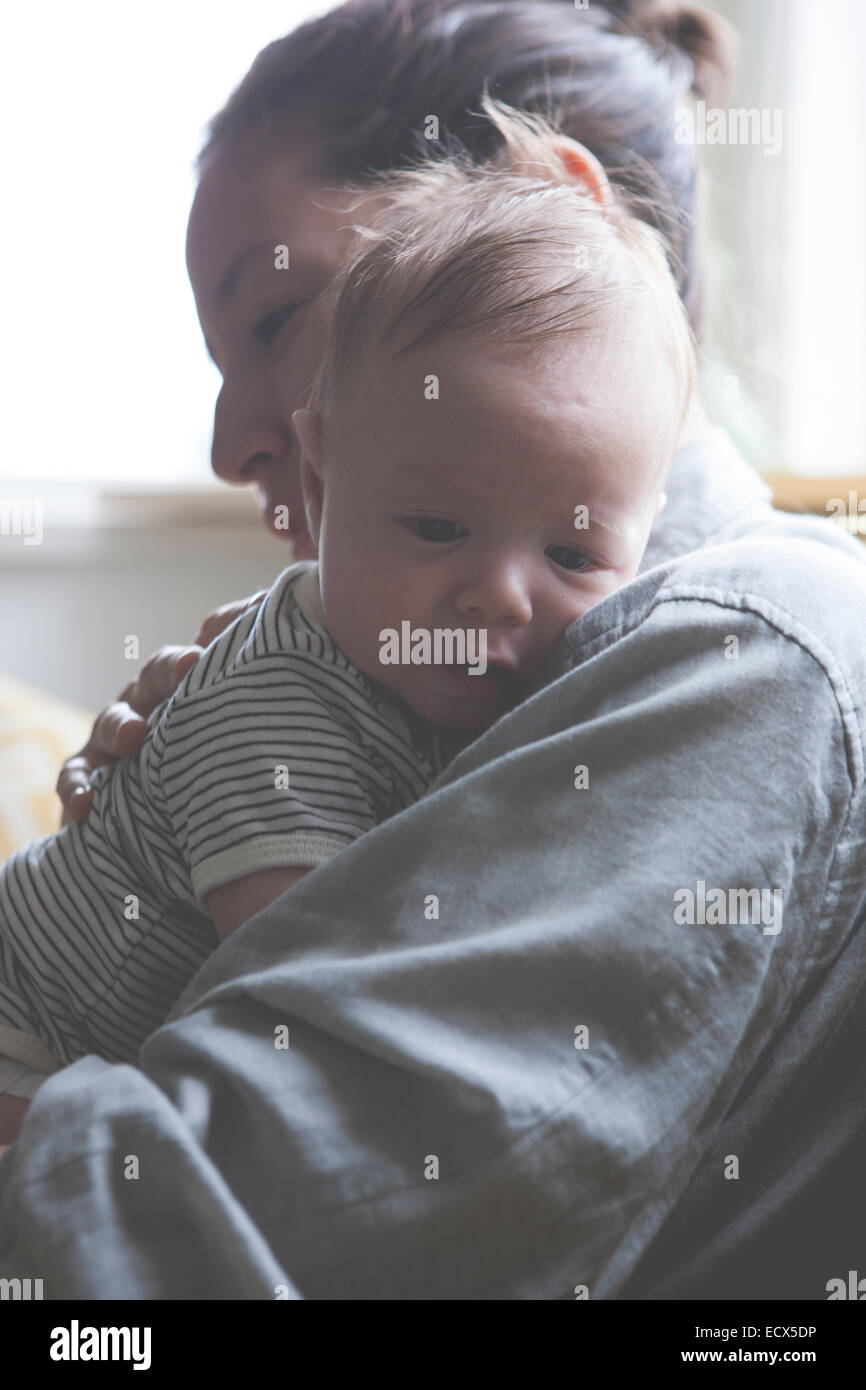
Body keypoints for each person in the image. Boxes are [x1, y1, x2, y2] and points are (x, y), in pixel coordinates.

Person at [2, 0, 865, 1301]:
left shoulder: (747, 647)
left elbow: (191, 1227)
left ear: (554, 206)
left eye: (277, 319)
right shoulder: (401, 680)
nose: (234, 438)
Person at [0, 95, 692, 1116]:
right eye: (434, 527)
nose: (500, 593)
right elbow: (298, 1024)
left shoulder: (702, 640)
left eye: (572, 552)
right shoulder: (279, 703)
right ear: (324, 480)